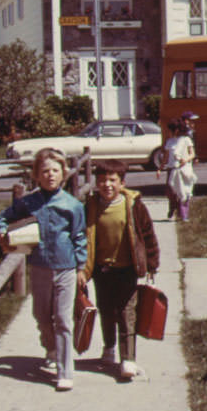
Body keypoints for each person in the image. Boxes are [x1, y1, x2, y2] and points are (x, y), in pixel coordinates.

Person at [0, 148, 87, 392]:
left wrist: (81, 266)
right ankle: (51, 348)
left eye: (55, 171)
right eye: (45, 171)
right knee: (42, 316)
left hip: (66, 267)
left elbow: (80, 236)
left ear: (63, 174)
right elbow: (5, 218)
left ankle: (65, 370)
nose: (50, 175)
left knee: (63, 319)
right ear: (37, 175)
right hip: (39, 267)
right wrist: (4, 232)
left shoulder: (73, 205)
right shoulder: (29, 203)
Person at [79, 159, 160, 381]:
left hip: (127, 269)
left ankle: (128, 358)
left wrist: (152, 265)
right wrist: (81, 267)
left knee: (127, 313)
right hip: (101, 270)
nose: (107, 185)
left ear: (122, 183)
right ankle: (109, 348)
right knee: (106, 311)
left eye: (112, 180)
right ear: (96, 183)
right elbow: (81, 237)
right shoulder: (92, 206)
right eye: (102, 180)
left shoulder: (134, 206)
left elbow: (148, 236)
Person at [163, 118, 197, 221]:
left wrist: (185, 160)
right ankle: (172, 210)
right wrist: (160, 168)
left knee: (184, 192)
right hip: (171, 169)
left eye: (170, 130)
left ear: (176, 130)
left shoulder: (186, 140)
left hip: (184, 170)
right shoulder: (169, 141)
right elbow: (166, 157)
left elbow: (192, 154)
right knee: (172, 192)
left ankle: (183, 214)